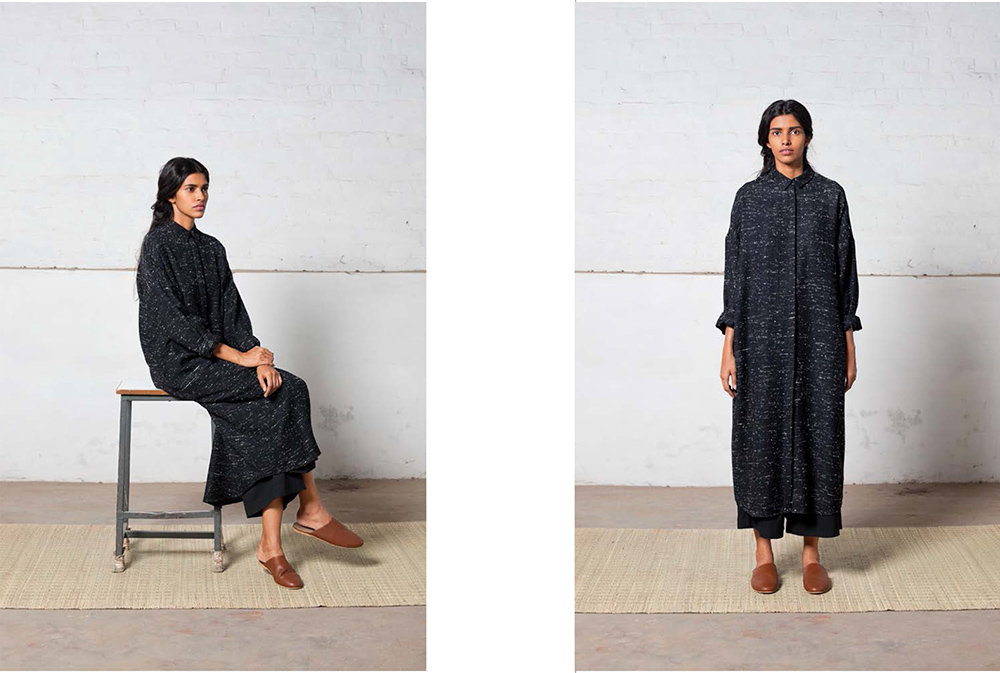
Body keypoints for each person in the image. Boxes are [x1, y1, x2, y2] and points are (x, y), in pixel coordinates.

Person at [136, 157, 363, 590]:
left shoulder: (212, 248)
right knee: (286, 393)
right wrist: (237, 359)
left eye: (205, 188)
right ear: (170, 195)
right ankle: (310, 511)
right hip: (179, 363)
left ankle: (273, 545)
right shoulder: (158, 245)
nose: (201, 196)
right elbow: (170, 320)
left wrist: (258, 357)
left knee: (278, 395)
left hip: (219, 359)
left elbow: (232, 313)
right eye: (191, 189)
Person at [716, 100, 861, 596]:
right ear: (765, 139)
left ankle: (812, 554)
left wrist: (848, 342)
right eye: (777, 131)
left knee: (820, 436)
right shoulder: (749, 199)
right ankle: (763, 554)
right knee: (759, 435)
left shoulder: (830, 196)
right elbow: (735, 275)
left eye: (794, 131)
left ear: (807, 137)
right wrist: (729, 345)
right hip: (760, 340)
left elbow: (845, 272)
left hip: (820, 337)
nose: (785, 140)